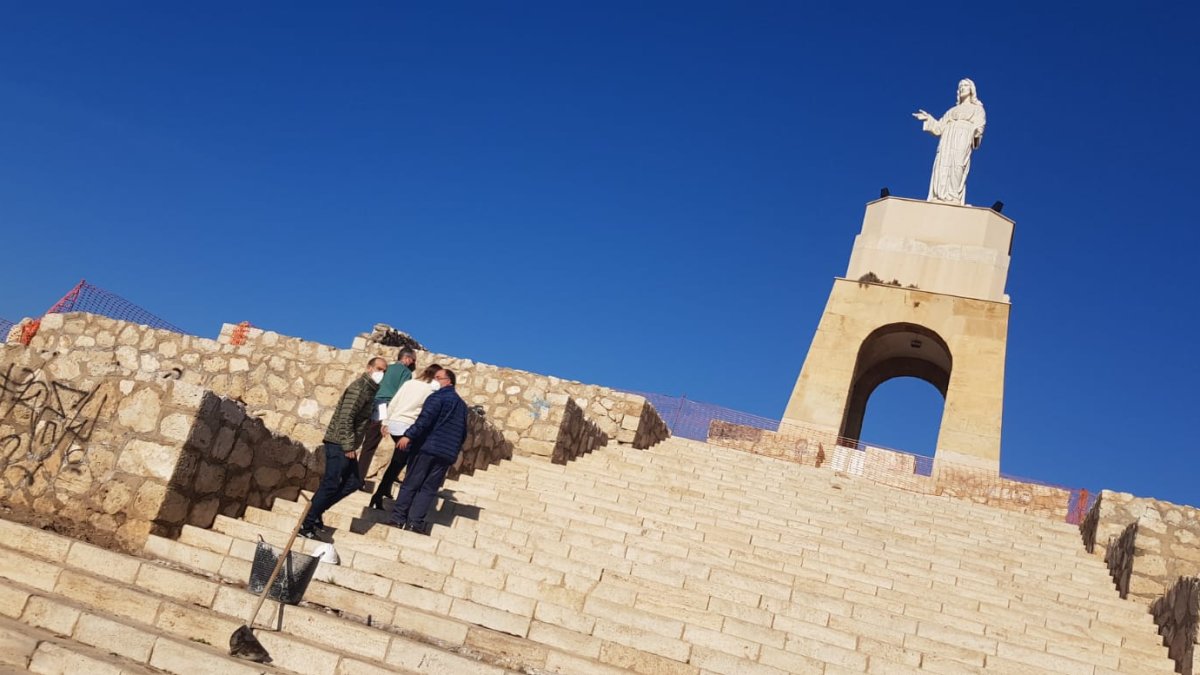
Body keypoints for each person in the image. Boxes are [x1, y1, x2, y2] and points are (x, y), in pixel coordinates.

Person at [300, 357, 387, 539]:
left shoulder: (370, 392)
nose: (382, 373)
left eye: (385, 371)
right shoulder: (360, 388)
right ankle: (306, 524)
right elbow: (345, 418)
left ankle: (315, 514)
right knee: (331, 484)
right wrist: (348, 445)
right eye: (379, 369)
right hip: (339, 443)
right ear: (369, 368)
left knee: (353, 482)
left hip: (346, 444)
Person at [388, 368, 467, 534]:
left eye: (438, 378)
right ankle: (415, 523)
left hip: (427, 448)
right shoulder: (462, 406)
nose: (434, 380)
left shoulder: (437, 397)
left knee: (411, 484)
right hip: (445, 454)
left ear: (449, 381)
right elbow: (463, 433)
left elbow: (425, 420)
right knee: (429, 489)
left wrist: (408, 436)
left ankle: (398, 518)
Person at [368, 363, 443, 510]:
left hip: (395, 424)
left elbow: (395, 401)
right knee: (403, 462)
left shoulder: (410, 383)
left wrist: (386, 422)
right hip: (408, 428)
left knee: (399, 460)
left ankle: (383, 491)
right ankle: (381, 495)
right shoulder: (431, 390)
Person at [913, 78, 986, 205]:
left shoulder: (978, 109)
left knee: (958, 164)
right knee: (943, 164)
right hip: (947, 138)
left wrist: (974, 132)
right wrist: (928, 118)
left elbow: (980, 125)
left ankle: (953, 196)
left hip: (964, 136)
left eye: (965, 86)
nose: (963, 88)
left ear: (971, 90)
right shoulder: (951, 111)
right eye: (960, 86)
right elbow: (939, 128)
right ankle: (941, 196)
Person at [358, 348, 416, 482]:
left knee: (367, 443)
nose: (413, 364)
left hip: (374, 403)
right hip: (387, 406)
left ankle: (357, 476)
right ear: (407, 359)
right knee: (396, 444)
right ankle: (386, 478)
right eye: (413, 360)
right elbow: (402, 394)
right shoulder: (406, 373)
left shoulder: (386, 368)